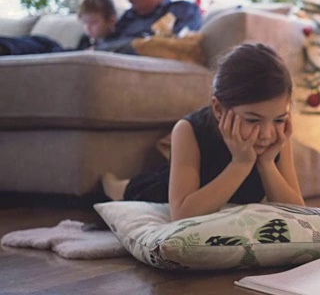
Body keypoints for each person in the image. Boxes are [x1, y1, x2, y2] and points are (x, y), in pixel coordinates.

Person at [102, 43, 305, 221]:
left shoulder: (277, 138)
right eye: (253, 120)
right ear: (218, 109)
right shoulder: (189, 129)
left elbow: (299, 213)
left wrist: (267, 164)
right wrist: (241, 163)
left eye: (279, 119)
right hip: (166, 190)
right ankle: (118, 186)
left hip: (218, 194)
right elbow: (182, 214)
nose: (267, 134)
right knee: (133, 190)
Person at [0, 0, 117, 55]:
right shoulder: (85, 39)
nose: (88, 28)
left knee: (42, 46)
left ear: (111, 21)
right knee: (38, 41)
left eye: (93, 22)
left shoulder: (116, 42)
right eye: (85, 23)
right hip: (63, 53)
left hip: (61, 56)